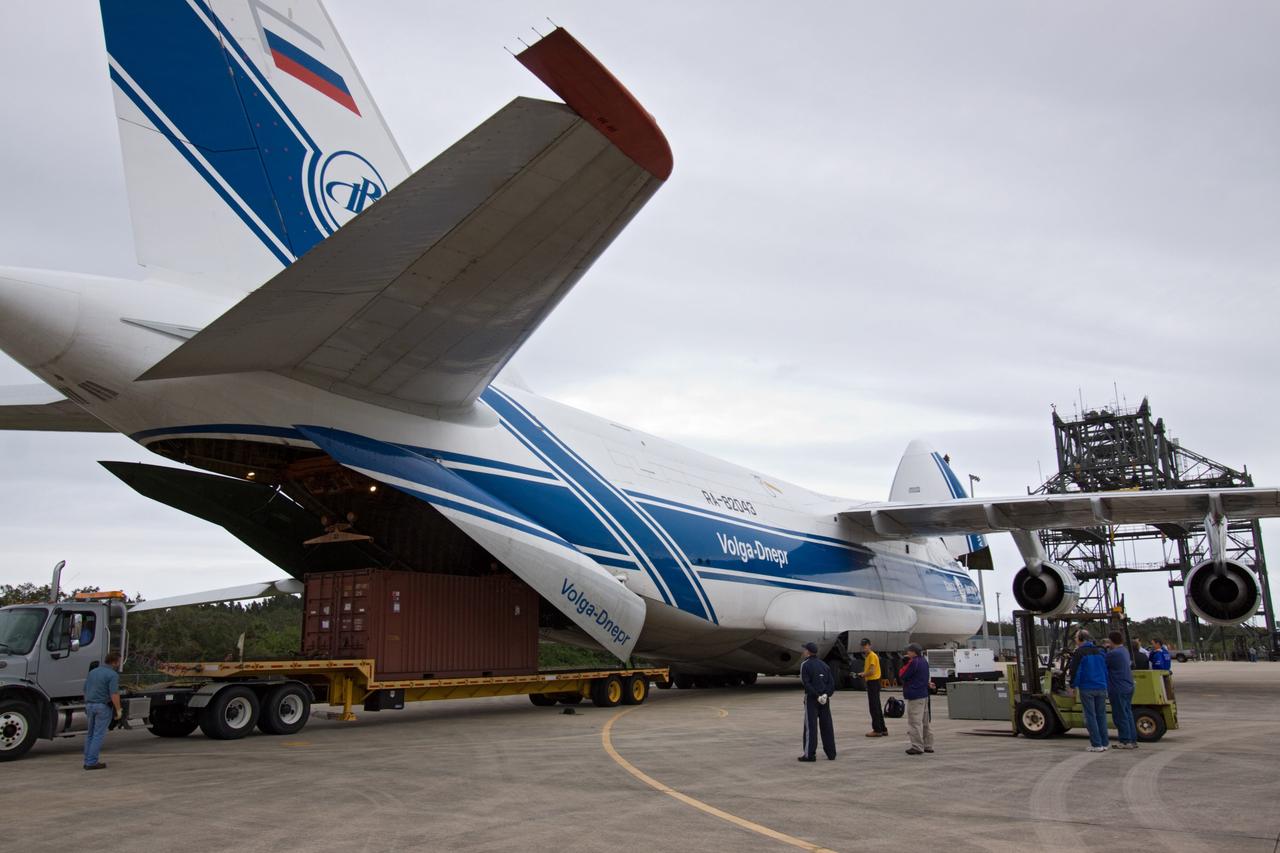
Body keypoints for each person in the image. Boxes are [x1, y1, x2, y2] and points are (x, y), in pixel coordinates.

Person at [1068, 630, 1110, 752]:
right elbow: (1105, 670)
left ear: (1080, 639)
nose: (1075, 639)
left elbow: (1076, 671)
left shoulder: (1079, 653)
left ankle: (1096, 744)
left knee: (1090, 716)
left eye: (1076, 637)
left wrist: (1072, 686)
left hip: (1087, 687)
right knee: (1101, 715)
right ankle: (1105, 742)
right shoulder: (1099, 651)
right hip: (1101, 686)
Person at [83, 651, 123, 770]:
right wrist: (118, 709)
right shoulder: (112, 675)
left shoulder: (93, 672)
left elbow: (85, 689)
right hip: (102, 706)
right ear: (115, 662)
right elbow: (114, 694)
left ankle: (87, 760)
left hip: (90, 705)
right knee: (98, 734)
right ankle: (92, 762)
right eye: (119, 661)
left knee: (90, 734)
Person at [798, 642, 836, 762]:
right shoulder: (824, 665)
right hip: (825, 700)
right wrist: (826, 694)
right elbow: (831, 684)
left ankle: (809, 754)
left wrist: (816, 695)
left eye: (805, 650)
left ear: (808, 652)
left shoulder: (805, 665)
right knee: (827, 726)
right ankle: (831, 753)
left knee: (811, 727)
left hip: (812, 699)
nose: (804, 651)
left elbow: (806, 683)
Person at [1104, 631, 1137, 749]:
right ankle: (1132, 739)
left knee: (1120, 715)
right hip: (1128, 686)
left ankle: (1125, 740)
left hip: (1118, 687)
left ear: (1111, 641)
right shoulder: (1124, 651)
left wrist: (1105, 650)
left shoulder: (1113, 654)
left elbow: (1103, 662)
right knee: (1128, 713)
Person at [899, 643, 934, 755]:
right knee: (925, 722)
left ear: (914, 652)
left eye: (909, 651)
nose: (907, 653)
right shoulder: (924, 661)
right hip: (924, 694)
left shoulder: (914, 662)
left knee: (914, 722)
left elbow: (902, 675)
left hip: (915, 695)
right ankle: (928, 745)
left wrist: (905, 664)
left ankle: (917, 746)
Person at [859, 638, 888, 737]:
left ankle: (877, 730)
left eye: (865, 646)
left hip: (873, 682)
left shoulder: (871, 656)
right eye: (863, 646)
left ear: (870, 645)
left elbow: (871, 671)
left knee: (874, 707)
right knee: (877, 706)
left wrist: (863, 674)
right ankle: (883, 728)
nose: (864, 648)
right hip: (874, 682)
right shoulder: (868, 656)